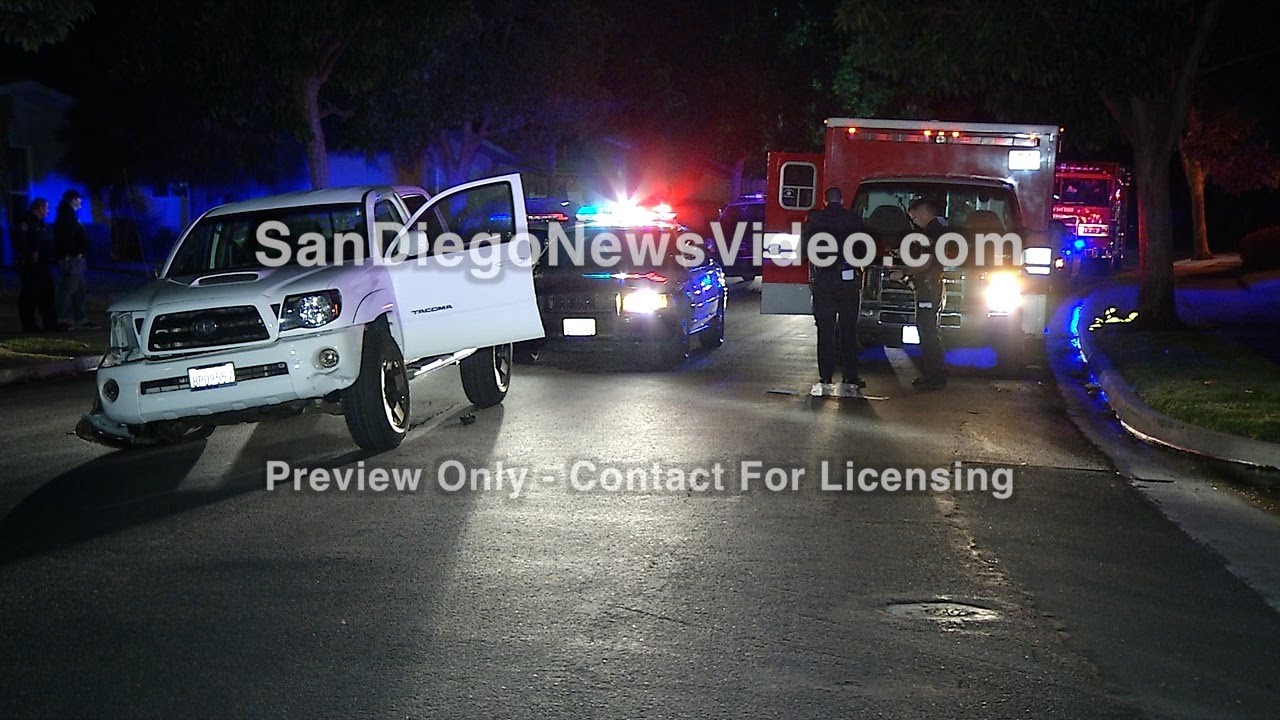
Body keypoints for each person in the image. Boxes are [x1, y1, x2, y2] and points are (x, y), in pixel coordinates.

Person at [801, 187, 865, 397]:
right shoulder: (853, 219)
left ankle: (826, 376)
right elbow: (863, 251)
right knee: (848, 330)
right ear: (843, 200)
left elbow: (803, 252)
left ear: (824, 200)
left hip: (823, 280)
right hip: (847, 279)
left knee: (825, 330)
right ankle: (850, 375)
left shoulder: (814, 220)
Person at [903, 196, 948, 390]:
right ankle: (935, 376)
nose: (914, 223)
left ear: (923, 213)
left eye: (914, 218)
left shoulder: (930, 232)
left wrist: (903, 272)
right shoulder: (942, 229)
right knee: (932, 333)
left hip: (928, 288)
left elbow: (925, 262)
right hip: (935, 287)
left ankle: (934, 379)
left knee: (928, 333)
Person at [13, 198, 62, 332]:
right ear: (39, 208)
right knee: (30, 295)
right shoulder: (26, 222)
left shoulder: (41, 223)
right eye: (46, 208)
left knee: (47, 294)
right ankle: (29, 325)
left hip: (44, 265)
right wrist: (30, 253)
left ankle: (50, 322)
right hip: (31, 266)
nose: (48, 211)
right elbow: (20, 241)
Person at [54, 189, 96, 329]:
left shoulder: (69, 215)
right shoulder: (66, 216)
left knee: (79, 289)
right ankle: (62, 319)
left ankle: (80, 318)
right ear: (73, 200)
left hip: (75, 258)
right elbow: (66, 238)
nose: (81, 202)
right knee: (68, 288)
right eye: (79, 199)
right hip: (71, 259)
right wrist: (75, 252)